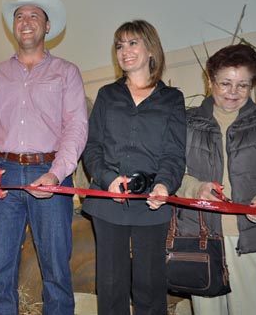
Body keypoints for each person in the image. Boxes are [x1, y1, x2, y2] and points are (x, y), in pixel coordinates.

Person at [0, 0, 88, 315]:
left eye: (34, 15)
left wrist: (56, 173)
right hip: (1, 175)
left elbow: (76, 128)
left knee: (56, 271)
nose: (25, 21)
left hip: (49, 174)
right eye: (19, 15)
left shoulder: (67, 73)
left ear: (47, 26)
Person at [82, 20, 186, 315]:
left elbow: (174, 153)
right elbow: (93, 147)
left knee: (150, 286)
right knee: (111, 284)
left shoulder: (172, 99)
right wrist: (107, 180)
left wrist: (165, 185)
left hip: (153, 202)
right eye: (119, 45)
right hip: (108, 200)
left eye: (132, 43)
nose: (124, 51)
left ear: (151, 49)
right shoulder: (106, 95)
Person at [175, 43, 256, 315]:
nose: (233, 92)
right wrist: (196, 188)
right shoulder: (186, 122)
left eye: (243, 85)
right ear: (210, 81)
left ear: (252, 85)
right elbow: (174, 172)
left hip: (251, 238)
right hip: (202, 237)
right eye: (225, 83)